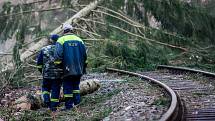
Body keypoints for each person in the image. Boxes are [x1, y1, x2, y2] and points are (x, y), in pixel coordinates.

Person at [54, 24, 87, 110]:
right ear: (72, 30)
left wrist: (58, 66)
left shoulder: (61, 40)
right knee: (76, 86)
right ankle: (77, 102)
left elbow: (57, 55)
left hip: (67, 68)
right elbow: (85, 55)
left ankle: (68, 106)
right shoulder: (80, 40)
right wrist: (84, 67)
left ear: (64, 31)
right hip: (79, 68)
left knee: (67, 87)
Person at [36, 34, 63, 111]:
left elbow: (39, 64)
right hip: (58, 74)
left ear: (51, 40)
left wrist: (42, 72)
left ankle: (47, 101)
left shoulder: (44, 49)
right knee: (55, 89)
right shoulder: (61, 49)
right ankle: (53, 107)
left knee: (45, 88)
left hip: (47, 74)